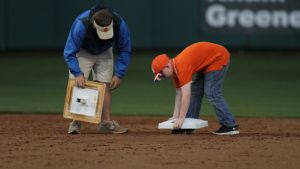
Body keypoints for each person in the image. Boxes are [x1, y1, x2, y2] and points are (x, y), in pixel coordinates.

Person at [64, 4, 131, 134]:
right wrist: (77, 73)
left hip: (105, 50)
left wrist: (119, 74)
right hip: (83, 51)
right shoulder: (81, 24)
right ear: (94, 25)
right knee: (78, 84)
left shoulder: (119, 23)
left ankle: (105, 123)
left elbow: (124, 49)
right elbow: (69, 52)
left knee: (105, 85)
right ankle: (75, 122)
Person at [151, 42, 239, 135]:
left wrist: (181, 118)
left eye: (161, 74)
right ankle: (189, 125)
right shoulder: (174, 70)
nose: (162, 77)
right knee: (196, 92)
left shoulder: (181, 66)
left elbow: (186, 95)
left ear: (167, 66)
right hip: (207, 61)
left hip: (218, 57)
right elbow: (179, 94)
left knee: (211, 92)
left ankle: (230, 125)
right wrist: (175, 116)